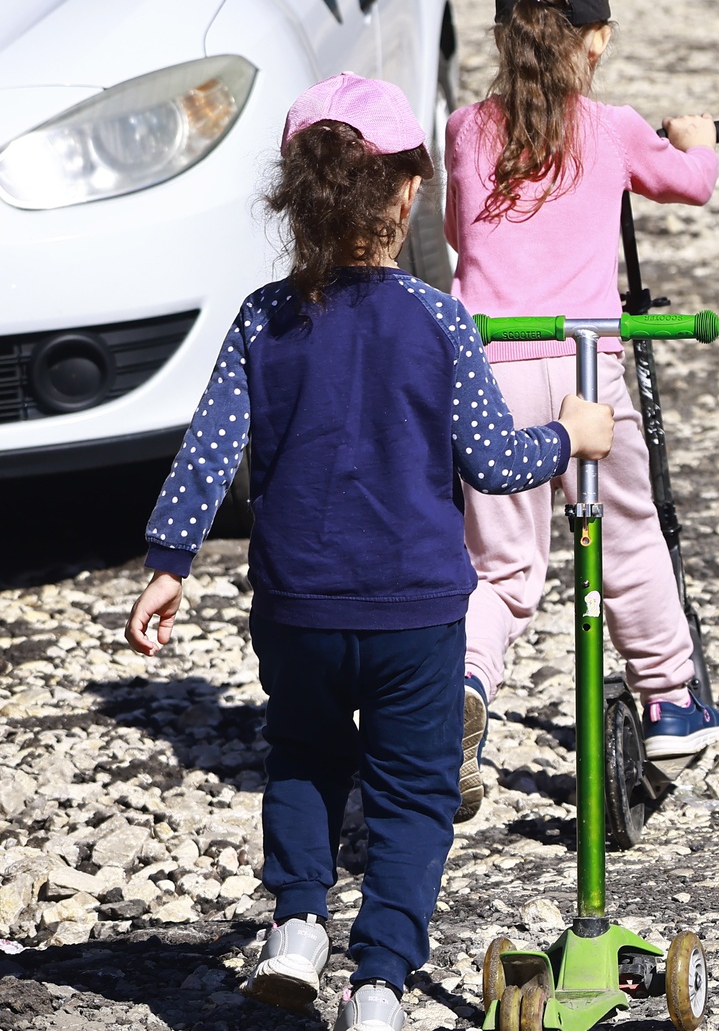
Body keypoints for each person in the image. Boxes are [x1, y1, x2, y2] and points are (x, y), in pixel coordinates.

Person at [125, 74, 610, 1031]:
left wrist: (170, 561)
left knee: (304, 756)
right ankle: (381, 982)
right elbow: (492, 460)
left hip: (296, 603)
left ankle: (299, 927)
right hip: (416, 609)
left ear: (296, 196)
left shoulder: (262, 319)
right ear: (407, 193)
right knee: (414, 788)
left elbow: (211, 448)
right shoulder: (438, 319)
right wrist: (572, 435)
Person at [446, 0, 719, 819]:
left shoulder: (464, 129)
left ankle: (460, 690)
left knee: (499, 570)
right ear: (596, 40)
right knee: (628, 537)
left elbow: (462, 235)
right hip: (584, 373)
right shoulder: (610, 128)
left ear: (501, 33)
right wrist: (698, 139)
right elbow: (690, 184)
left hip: (488, 367)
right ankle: (673, 700)